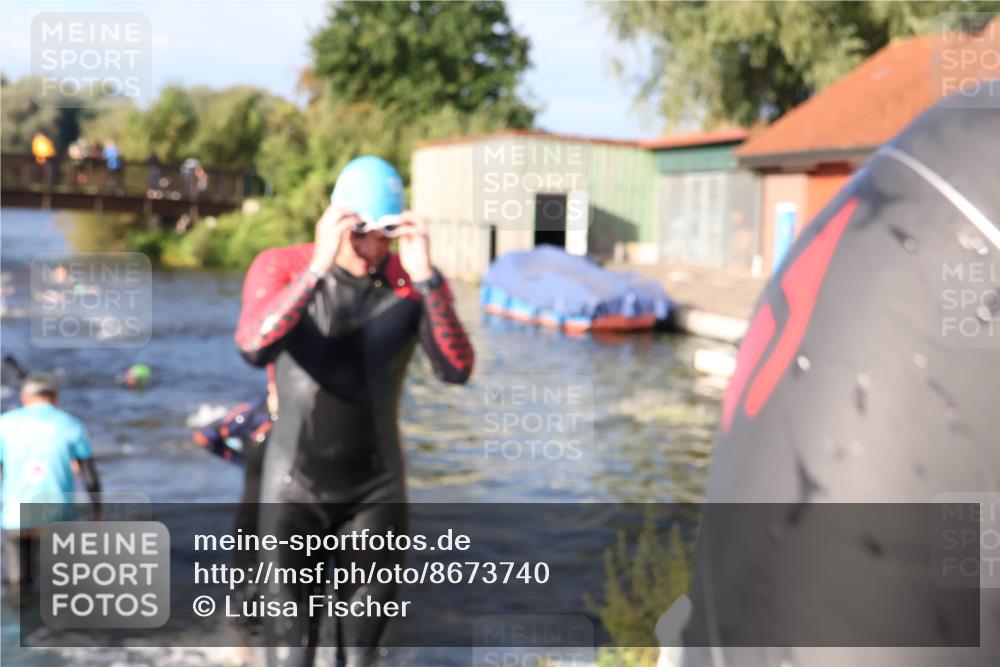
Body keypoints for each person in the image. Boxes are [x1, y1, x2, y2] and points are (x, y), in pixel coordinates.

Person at [235, 155, 474, 667]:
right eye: (364, 233)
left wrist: (428, 277)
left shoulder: (411, 279)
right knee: (288, 651)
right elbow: (254, 346)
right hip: (293, 486)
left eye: (386, 234)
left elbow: (456, 369)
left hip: (376, 491)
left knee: (357, 654)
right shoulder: (283, 265)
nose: (375, 249)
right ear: (338, 222)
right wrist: (318, 267)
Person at [0, 374, 101, 593]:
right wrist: (97, 510)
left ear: (24, 398)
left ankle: (18, 620)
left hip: (15, 514)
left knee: (17, 586)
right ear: (55, 398)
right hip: (57, 513)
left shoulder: (4, 424)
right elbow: (89, 474)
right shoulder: (70, 424)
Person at [192, 389, 276, 638]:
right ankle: (244, 647)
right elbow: (204, 436)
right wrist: (241, 460)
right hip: (252, 511)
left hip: (295, 513)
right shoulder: (254, 414)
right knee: (248, 582)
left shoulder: (304, 414)